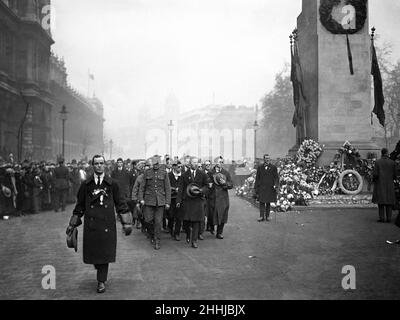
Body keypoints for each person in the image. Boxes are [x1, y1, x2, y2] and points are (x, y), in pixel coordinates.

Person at [66, 155, 132, 294]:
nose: (99, 166)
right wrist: (72, 224)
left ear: (105, 165)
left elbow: (120, 203)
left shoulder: (112, 184)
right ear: (92, 165)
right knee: (95, 254)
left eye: (101, 163)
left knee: (104, 255)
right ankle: (99, 270)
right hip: (92, 226)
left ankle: (101, 281)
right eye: (96, 163)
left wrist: (126, 222)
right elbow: (80, 206)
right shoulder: (86, 185)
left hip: (107, 225)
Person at [138, 156, 171, 250]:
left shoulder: (164, 173)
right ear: (152, 164)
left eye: (157, 164)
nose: (156, 166)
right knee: (148, 220)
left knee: (158, 222)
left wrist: (167, 202)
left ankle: (157, 240)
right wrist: (141, 199)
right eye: (154, 164)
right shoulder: (147, 172)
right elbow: (142, 187)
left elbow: (167, 188)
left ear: (159, 164)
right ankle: (152, 234)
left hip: (160, 201)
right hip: (148, 201)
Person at [177, 157, 209, 249]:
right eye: (193, 162)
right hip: (187, 201)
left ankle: (194, 240)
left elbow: (207, 186)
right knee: (186, 221)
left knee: (196, 221)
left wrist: (201, 190)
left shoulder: (202, 174)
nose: (195, 164)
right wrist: (178, 201)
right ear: (190, 164)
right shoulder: (184, 175)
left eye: (196, 162)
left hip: (198, 201)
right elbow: (181, 188)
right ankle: (187, 234)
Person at [372, 148, 397, 223]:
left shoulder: (378, 162)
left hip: (380, 183)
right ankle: (389, 218)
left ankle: (382, 218)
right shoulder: (392, 162)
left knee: (381, 202)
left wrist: (374, 180)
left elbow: (375, 174)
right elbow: (395, 174)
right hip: (389, 184)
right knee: (389, 202)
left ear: (381, 153)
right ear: (387, 153)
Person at [211, 157, 233, 239]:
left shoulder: (226, 173)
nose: (221, 163)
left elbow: (231, 185)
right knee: (211, 214)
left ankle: (219, 232)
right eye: (219, 161)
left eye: (222, 162)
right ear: (215, 162)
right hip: (212, 197)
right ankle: (210, 228)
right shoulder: (211, 172)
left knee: (222, 214)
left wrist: (225, 183)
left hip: (223, 197)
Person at [254, 154, 279, 222]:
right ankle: (261, 216)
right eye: (266, 158)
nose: (267, 159)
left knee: (268, 202)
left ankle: (267, 216)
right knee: (261, 202)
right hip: (262, 187)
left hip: (270, 187)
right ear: (264, 159)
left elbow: (276, 177)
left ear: (269, 159)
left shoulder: (273, 167)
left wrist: (276, 185)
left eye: (268, 158)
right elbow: (257, 178)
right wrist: (256, 187)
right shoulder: (260, 167)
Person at [168, 161, 184, 241]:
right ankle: (170, 229)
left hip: (180, 199)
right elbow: (167, 186)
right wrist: (175, 189)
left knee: (179, 217)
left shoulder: (183, 175)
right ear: (174, 167)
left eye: (181, 167)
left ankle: (177, 233)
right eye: (178, 167)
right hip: (171, 199)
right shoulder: (169, 175)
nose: (180, 168)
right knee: (171, 216)